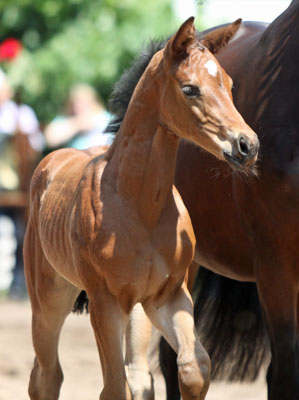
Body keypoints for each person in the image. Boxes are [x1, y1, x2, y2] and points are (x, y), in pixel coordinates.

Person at [0, 68, 44, 298]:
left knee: (21, 233)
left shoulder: (21, 113)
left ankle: (19, 281)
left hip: (17, 184)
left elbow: (36, 142)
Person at [44, 83, 114, 151]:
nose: (79, 106)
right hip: (75, 161)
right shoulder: (67, 118)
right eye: (75, 103)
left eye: (83, 102)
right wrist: (77, 125)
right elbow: (50, 139)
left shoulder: (105, 118)